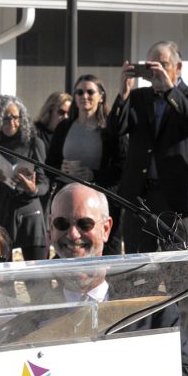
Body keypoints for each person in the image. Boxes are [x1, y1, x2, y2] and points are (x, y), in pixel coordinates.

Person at [47, 182, 188, 376]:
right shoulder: (35, 311)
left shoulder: (151, 307)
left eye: (85, 223)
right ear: (51, 227)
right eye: (62, 223)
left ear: (106, 228)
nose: (73, 234)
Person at [110, 40, 188, 342]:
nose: (155, 72)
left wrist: (169, 90)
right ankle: (142, 340)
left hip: (178, 201)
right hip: (141, 200)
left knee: (181, 277)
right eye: (150, 66)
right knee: (138, 276)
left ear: (177, 67)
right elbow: (116, 129)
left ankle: (182, 347)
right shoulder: (139, 98)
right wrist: (123, 93)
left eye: (162, 65)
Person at [46, 74, 124, 254]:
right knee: (67, 249)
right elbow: (49, 163)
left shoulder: (110, 130)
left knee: (103, 253)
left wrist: (92, 175)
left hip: (99, 203)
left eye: (90, 92)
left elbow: (121, 168)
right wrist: (60, 170)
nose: (84, 96)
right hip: (68, 200)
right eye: (79, 92)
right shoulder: (64, 127)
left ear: (101, 96)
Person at [0, 94, 50, 261]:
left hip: (29, 213)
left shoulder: (33, 143)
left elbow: (45, 183)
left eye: (15, 117)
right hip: (0, 215)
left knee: (35, 277)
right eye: (6, 118)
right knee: (1, 276)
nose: (12, 123)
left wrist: (33, 189)